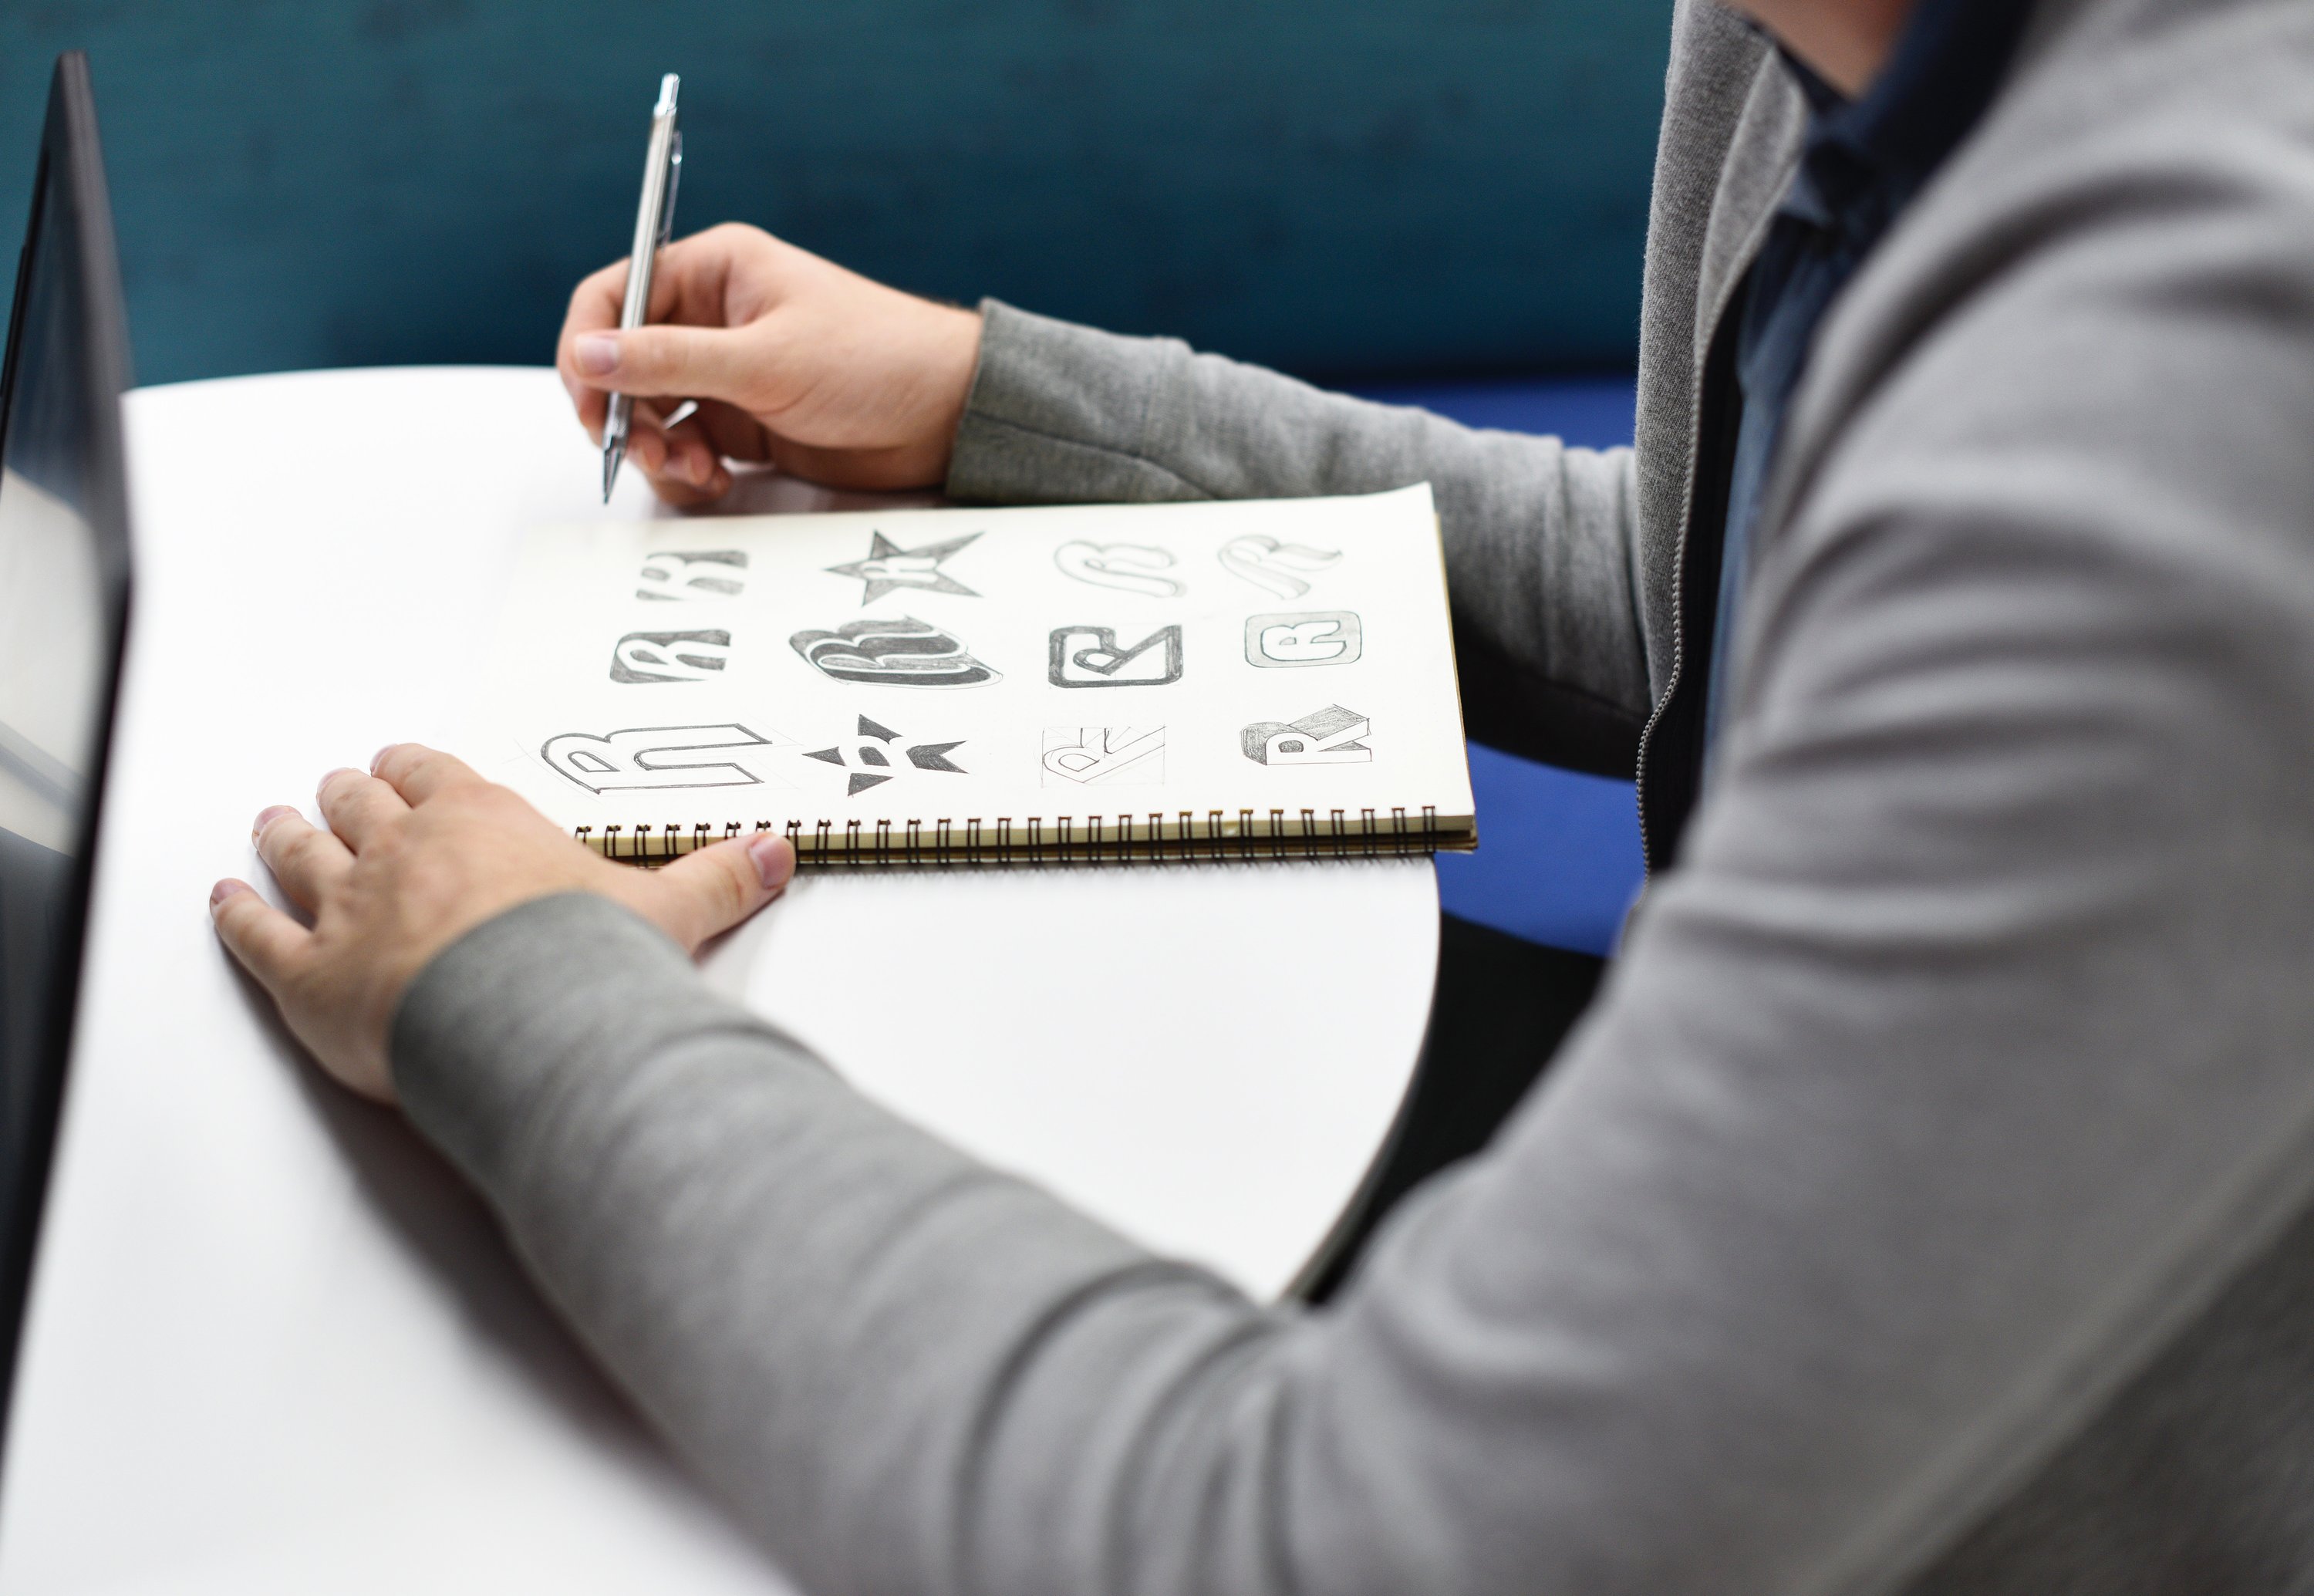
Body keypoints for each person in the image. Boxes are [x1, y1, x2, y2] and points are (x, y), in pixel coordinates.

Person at [211, 0, 2314, 1589]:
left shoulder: (2200, 375)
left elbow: (1332, 1549)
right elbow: (1704, 594)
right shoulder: (1837, 50)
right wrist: (998, 404)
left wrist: (519, 990)